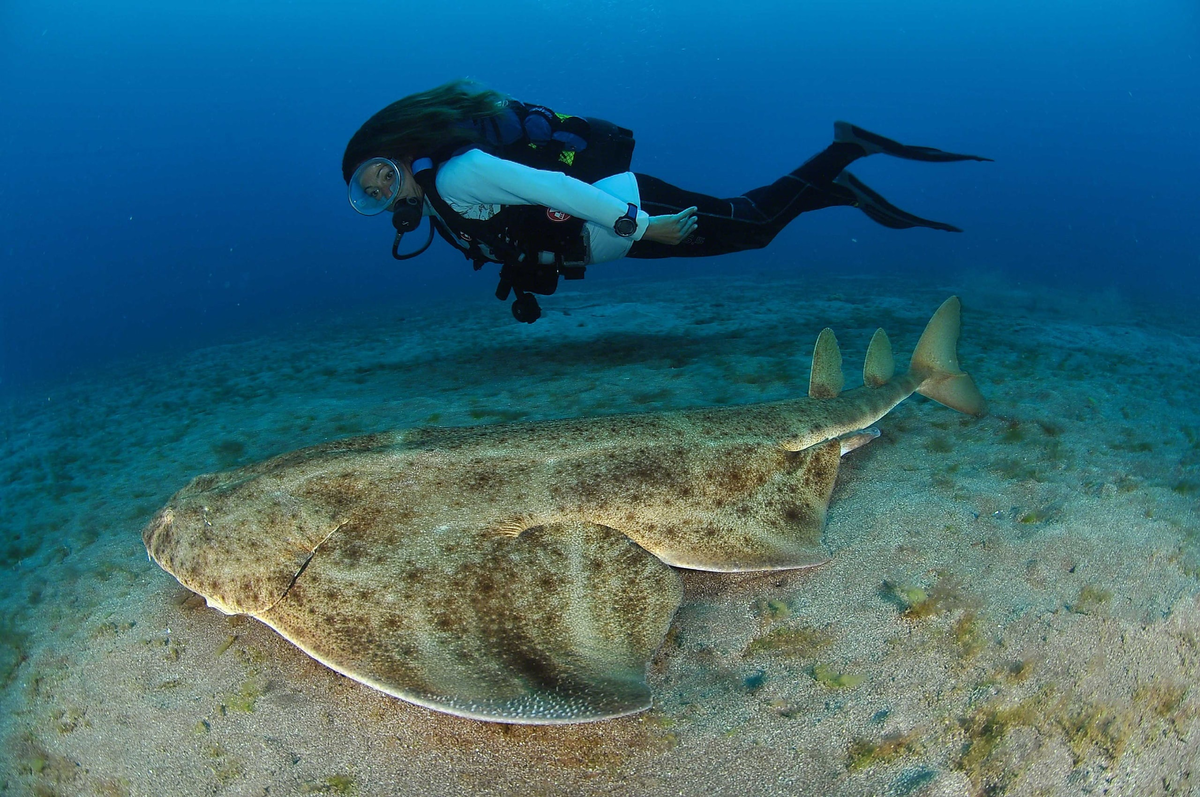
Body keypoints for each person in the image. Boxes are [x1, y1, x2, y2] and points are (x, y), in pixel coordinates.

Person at [343, 80, 990, 322]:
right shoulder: (439, 199)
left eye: (378, 173)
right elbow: (516, 231)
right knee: (752, 215)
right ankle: (838, 178)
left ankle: (843, 154)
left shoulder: (457, 176)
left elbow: (554, 189)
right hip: (613, 235)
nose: (380, 190)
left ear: (397, 150)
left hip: (622, 213)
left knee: (757, 223)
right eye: (368, 194)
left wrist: (644, 225)